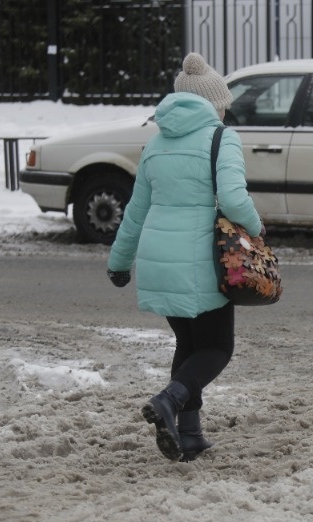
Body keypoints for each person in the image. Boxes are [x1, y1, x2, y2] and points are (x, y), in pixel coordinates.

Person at [106, 52, 263, 462]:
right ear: (214, 104)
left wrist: (119, 261)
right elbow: (233, 199)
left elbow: (135, 211)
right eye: (223, 103)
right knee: (218, 348)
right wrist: (257, 229)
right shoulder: (222, 138)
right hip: (201, 262)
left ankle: (190, 434)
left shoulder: (156, 143)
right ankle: (169, 401)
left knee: (190, 344)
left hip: (159, 260)